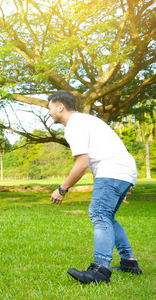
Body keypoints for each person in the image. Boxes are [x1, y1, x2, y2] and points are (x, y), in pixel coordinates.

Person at [47, 90, 142, 284]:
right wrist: (126, 179)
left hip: (114, 171)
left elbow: (82, 164)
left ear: (60, 107)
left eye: (49, 108)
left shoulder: (74, 125)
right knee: (107, 216)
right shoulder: (87, 120)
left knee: (99, 214)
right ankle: (129, 262)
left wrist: (62, 189)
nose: (49, 113)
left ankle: (100, 270)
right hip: (123, 170)